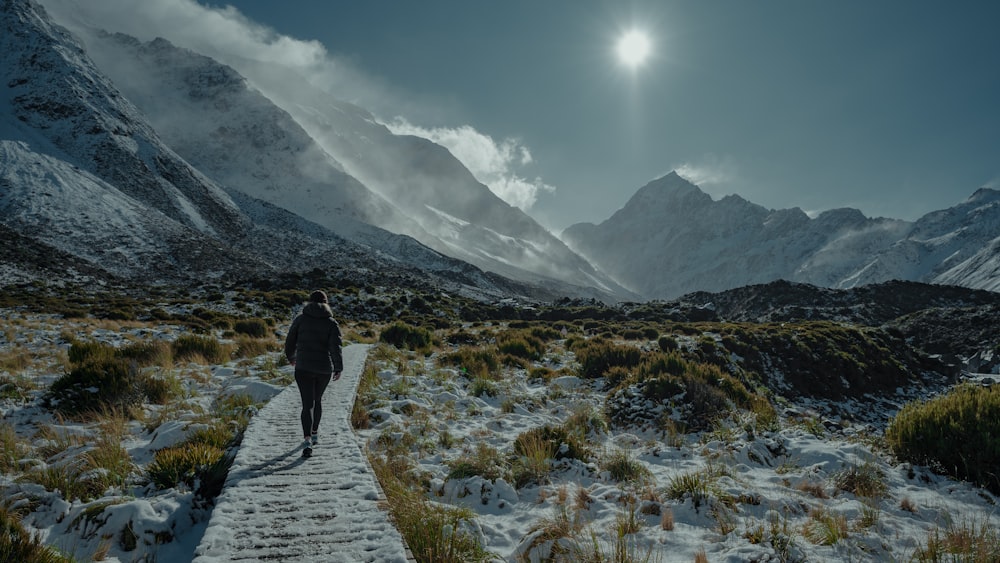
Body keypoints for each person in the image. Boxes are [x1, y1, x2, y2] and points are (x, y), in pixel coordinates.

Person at [284, 290, 343, 457]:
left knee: (307, 404)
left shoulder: (300, 319)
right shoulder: (331, 323)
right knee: (317, 400)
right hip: (324, 369)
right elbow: (335, 347)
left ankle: (307, 440)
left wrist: (291, 357)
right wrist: (338, 367)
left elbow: (290, 340)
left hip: (303, 367)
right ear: (326, 303)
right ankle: (315, 432)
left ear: (309, 302)